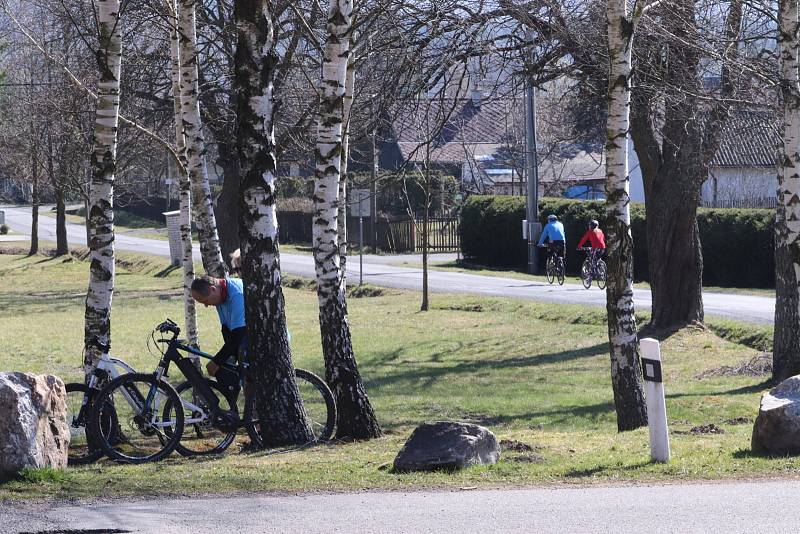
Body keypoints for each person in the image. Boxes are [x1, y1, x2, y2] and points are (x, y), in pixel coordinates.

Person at [190, 275, 245, 379]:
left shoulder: (237, 294)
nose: (206, 305)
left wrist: (216, 362)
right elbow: (226, 330)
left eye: (205, 301)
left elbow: (239, 334)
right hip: (242, 340)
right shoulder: (219, 297)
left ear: (213, 289)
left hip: (263, 343)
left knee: (250, 383)